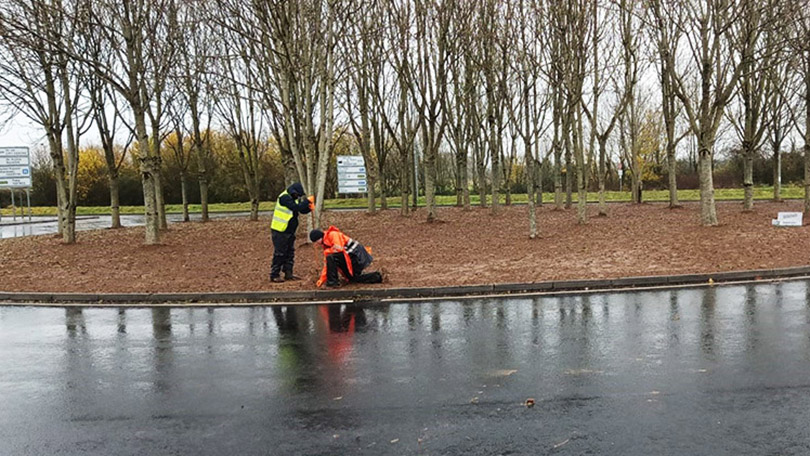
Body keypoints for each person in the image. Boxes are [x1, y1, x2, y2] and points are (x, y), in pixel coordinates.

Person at [309, 226, 383, 287]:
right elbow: (327, 264)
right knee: (352, 278)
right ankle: (376, 276)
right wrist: (322, 279)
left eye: (316, 241)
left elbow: (339, 249)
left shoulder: (333, 235)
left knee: (330, 257)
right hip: (354, 256)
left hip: (356, 256)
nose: (316, 244)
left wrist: (327, 252)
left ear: (319, 238)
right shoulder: (326, 243)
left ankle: (333, 283)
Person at [270, 182, 313, 283]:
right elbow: (296, 207)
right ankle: (274, 274)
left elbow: (300, 210)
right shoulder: (284, 198)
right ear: (293, 192)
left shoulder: (292, 198)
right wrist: (307, 201)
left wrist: (309, 208)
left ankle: (288, 273)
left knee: (290, 252)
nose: (297, 197)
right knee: (280, 253)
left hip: (289, 230)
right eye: (297, 195)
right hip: (280, 230)